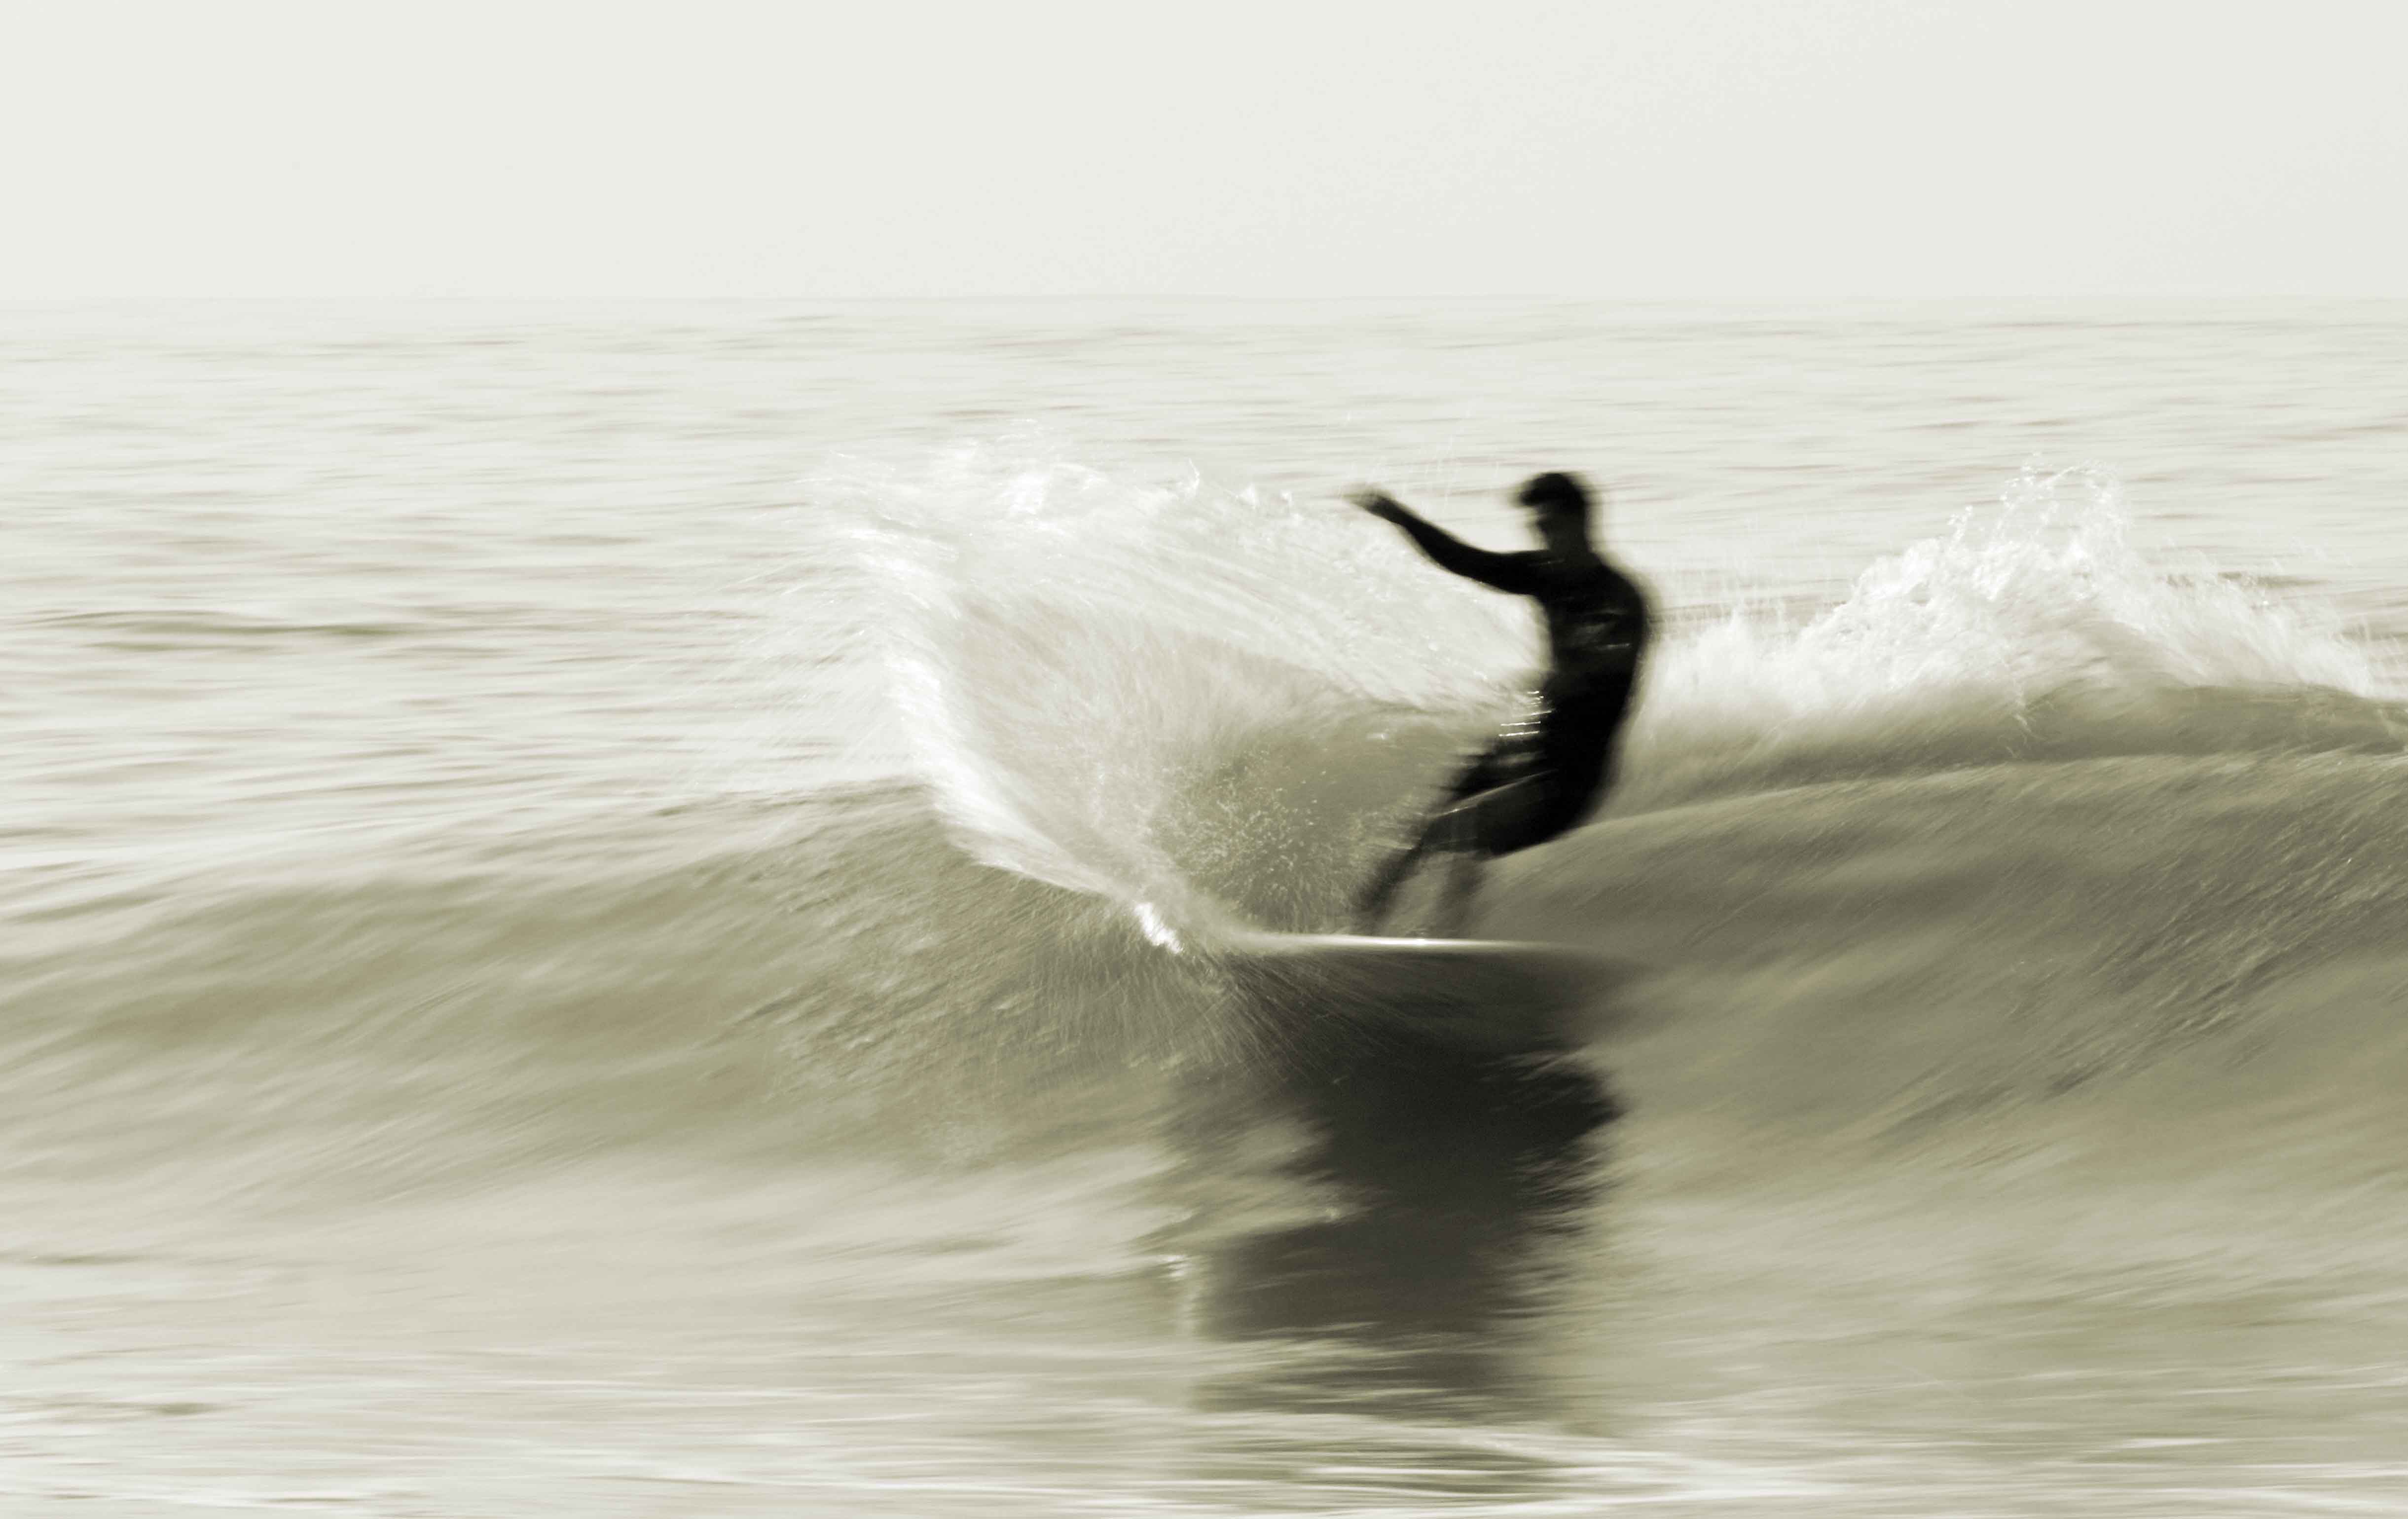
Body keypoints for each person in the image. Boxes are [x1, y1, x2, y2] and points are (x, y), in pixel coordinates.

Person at [1349, 472, 1651, 935]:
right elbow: (1465, 561)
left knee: (1449, 832)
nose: (1542, 537)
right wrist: (1399, 517)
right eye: (1536, 527)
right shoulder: (1546, 575)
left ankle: (1412, 936)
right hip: (1532, 740)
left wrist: (1571, 675)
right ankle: (1412, 935)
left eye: (1549, 525)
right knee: (1435, 818)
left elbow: (1612, 667)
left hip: (1571, 774)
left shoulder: (1620, 600)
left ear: (1581, 523)